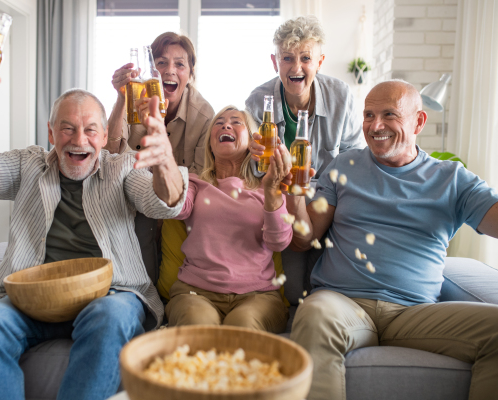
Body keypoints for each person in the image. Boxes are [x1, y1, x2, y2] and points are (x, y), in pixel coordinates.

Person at [0, 50, 188, 400]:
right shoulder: (27, 165)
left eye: (90, 130)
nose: (79, 140)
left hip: (110, 294)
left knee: (111, 316)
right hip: (31, 297)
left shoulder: (120, 168)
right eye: (67, 129)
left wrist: (164, 160)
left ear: (103, 135)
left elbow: (166, 203)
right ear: (52, 133)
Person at [288, 79, 498, 400]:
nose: (376, 126)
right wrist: (291, 191)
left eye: (389, 114)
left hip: (414, 314)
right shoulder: (345, 165)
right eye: (368, 115)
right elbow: (305, 240)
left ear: (419, 121)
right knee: (315, 315)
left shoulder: (451, 179)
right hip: (343, 303)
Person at [164, 106, 293, 333]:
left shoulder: (268, 187)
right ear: (210, 144)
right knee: (200, 327)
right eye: (219, 122)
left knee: (241, 329)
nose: (226, 125)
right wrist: (163, 158)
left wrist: (273, 191)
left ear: (255, 141)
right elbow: (177, 207)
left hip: (258, 296)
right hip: (195, 292)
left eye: (236, 122)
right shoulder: (194, 182)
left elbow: (279, 242)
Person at [246, 15, 363, 179]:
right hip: (276, 195)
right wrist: (251, 155)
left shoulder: (341, 96)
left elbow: (354, 159)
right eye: (287, 58)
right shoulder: (257, 102)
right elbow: (251, 170)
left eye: (306, 58)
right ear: (274, 63)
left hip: (327, 196)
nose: (296, 68)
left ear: (319, 63)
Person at [107, 31, 214, 174]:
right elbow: (109, 155)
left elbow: (201, 176)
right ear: (151, 70)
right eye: (162, 63)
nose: (170, 70)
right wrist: (121, 99)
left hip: (178, 193)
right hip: (130, 189)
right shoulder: (131, 99)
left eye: (180, 64)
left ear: (190, 74)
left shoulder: (204, 116)